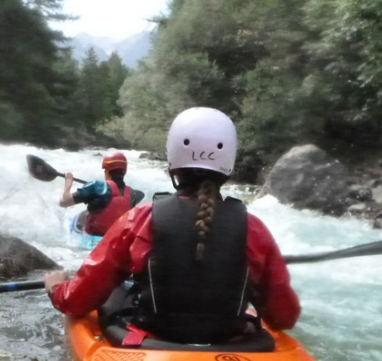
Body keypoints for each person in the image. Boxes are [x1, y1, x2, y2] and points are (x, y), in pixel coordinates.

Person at [44, 107, 300, 345]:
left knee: (116, 291)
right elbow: (284, 318)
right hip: (230, 340)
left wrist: (56, 288)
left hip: (154, 341)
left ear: (173, 164)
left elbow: (77, 301)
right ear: (228, 166)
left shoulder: (140, 219)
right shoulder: (254, 228)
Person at [58, 151, 145, 236]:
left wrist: (68, 181)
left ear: (106, 171)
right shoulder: (132, 194)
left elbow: (63, 202)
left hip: (91, 237)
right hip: (115, 239)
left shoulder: (97, 186)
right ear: (124, 171)